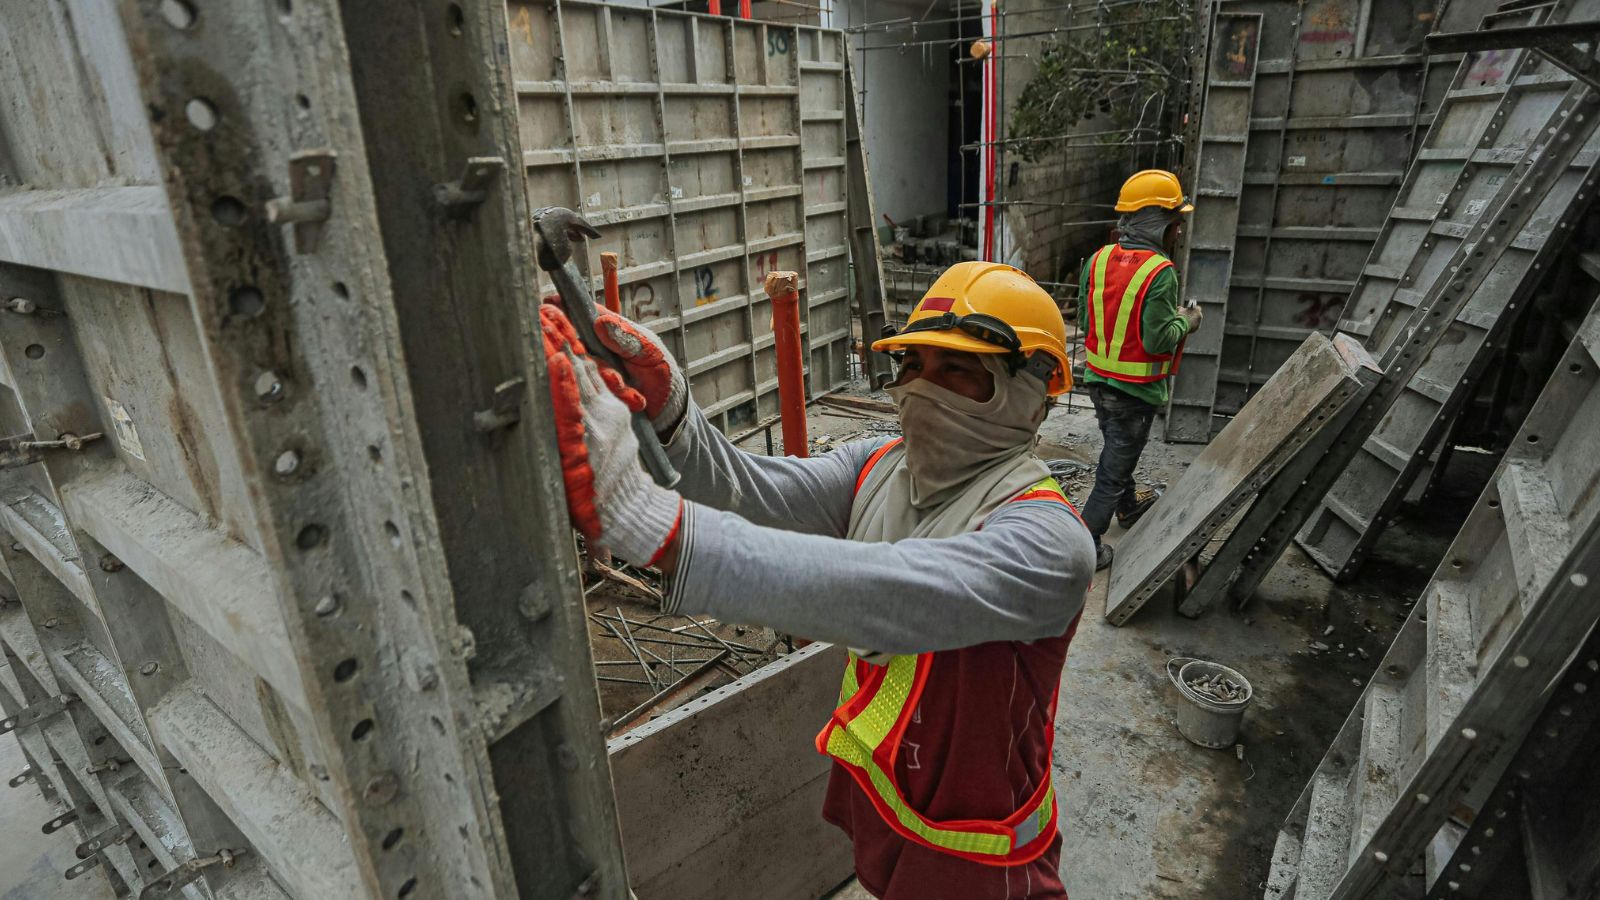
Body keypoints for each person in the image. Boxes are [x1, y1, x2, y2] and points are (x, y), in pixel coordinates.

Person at [539, 261, 1096, 899]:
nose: (920, 388)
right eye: (912, 366)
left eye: (958, 371)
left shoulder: (1051, 544)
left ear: (1032, 393)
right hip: (889, 814)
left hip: (988, 862)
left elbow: (893, 597)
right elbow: (754, 494)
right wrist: (671, 414)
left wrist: (652, 524)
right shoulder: (880, 466)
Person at [1077, 169, 1204, 570]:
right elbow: (1157, 340)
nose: (1179, 231)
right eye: (1175, 222)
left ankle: (1128, 507)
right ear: (1157, 222)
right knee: (1112, 471)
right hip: (1135, 392)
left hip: (1097, 382)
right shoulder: (1160, 273)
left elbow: (1085, 318)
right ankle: (1086, 544)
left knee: (1118, 453)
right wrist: (1188, 321)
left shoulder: (1097, 261)